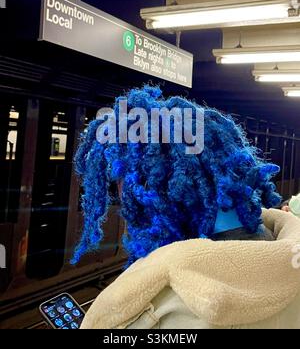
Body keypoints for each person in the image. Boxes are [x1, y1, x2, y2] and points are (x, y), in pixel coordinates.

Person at [72, 85, 300, 329]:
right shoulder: (284, 254)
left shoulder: (160, 312)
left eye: (126, 188)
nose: (128, 209)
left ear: (158, 190)